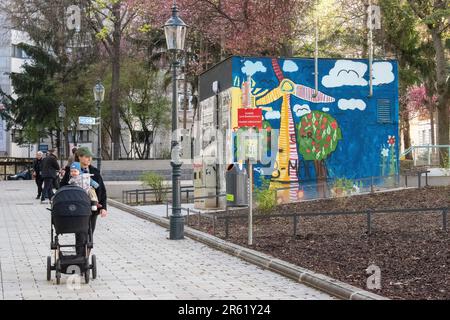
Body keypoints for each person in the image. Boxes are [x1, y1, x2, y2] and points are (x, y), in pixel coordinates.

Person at [60, 147, 107, 256]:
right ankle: (80, 258)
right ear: (79, 157)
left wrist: (103, 207)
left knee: (90, 233)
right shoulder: (71, 171)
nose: (89, 159)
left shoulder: (95, 171)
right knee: (80, 234)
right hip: (76, 208)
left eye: (90, 157)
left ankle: (85, 257)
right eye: (86, 157)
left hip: (92, 208)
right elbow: (62, 187)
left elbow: (102, 190)